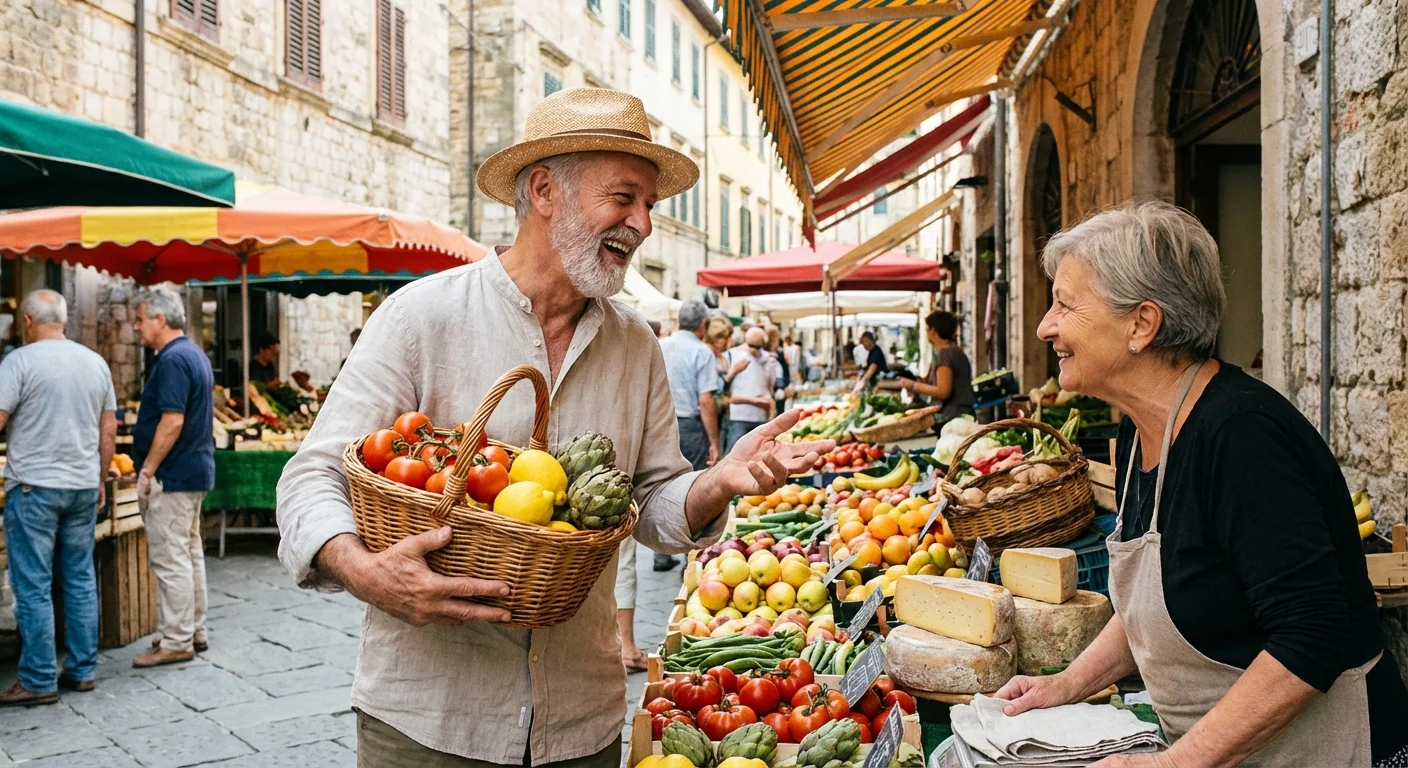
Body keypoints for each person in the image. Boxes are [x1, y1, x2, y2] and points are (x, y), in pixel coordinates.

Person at [274, 88, 832, 766]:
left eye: (649, 206)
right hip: (431, 721)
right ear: (543, 190)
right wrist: (365, 573)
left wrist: (717, 482)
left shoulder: (637, 346)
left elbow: (650, 503)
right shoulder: (421, 317)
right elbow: (312, 476)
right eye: (623, 198)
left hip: (580, 724)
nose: (643, 225)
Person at [995, 201, 1408, 767]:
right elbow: (1151, 606)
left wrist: (1174, 764)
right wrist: (1065, 684)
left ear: (1141, 324)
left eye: (1065, 304)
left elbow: (1311, 636)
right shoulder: (1141, 427)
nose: (1046, 327)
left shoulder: (1241, 437)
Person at [0, 291, 116, 706]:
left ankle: (37, 678)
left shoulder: (18, 362)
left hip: (33, 486)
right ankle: (82, 670)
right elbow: (108, 432)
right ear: (63, 320)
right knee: (80, 578)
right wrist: (100, 478)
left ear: (28, 320)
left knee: (32, 585)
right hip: (83, 485)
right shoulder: (95, 363)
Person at [131, 286, 217, 668]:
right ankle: (192, 630)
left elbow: (172, 419)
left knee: (170, 559)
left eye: (140, 319)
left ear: (160, 320)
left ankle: (177, 639)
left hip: (174, 474)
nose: (137, 327)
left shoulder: (171, 360)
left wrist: (148, 469)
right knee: (188, 553)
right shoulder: (194, 354)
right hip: (194, 469)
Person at [898, 311, 975, 426]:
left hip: (953, 417)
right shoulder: (952, 351)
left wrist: (913, 385)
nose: (926, 332)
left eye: (927, 329)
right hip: (958, 416)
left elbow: (943, 391)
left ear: (933, 330)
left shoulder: (946, 354)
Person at [723, 327, 775, 452]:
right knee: (735, 454)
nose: (755, 350)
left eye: (758, 346)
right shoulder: (731, 356)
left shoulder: (768, 359)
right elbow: (725, 390)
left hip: (760, 417)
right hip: (738, 416)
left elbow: (769, 388)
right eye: (752, 345)